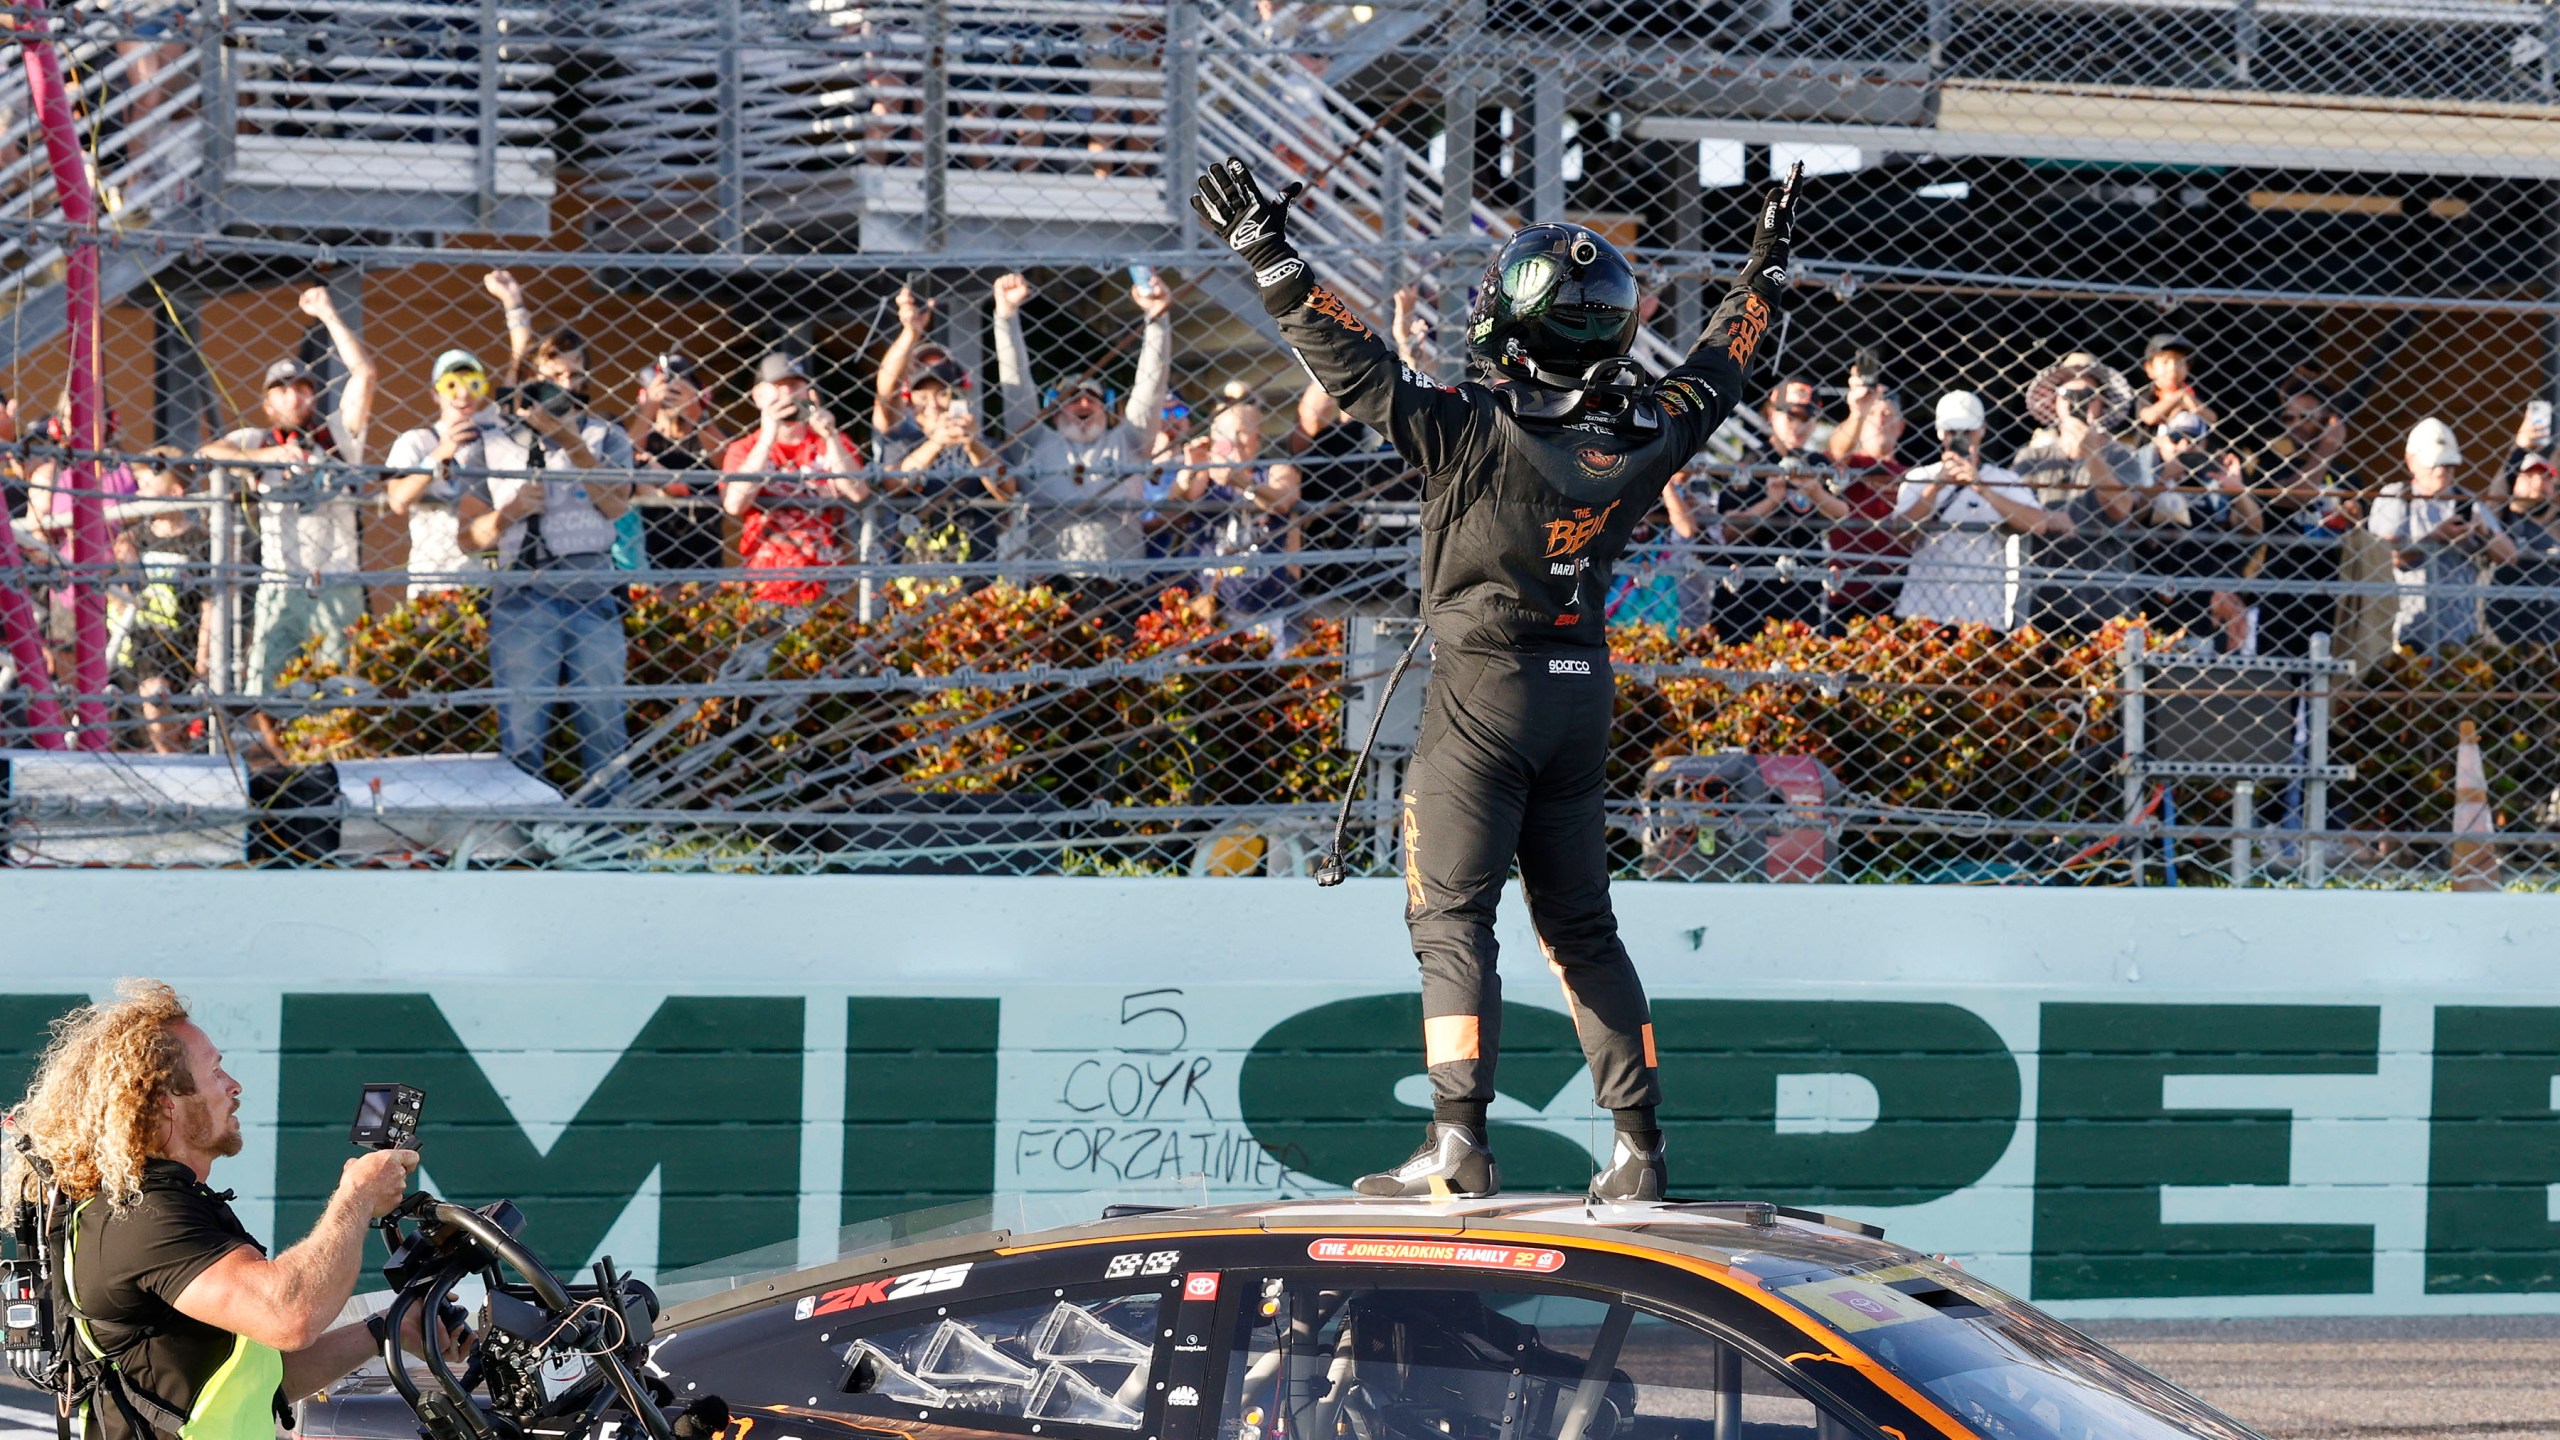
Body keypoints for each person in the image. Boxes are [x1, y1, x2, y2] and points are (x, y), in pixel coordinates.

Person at [1190, 153, 1802, 1202]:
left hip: (1479, 696)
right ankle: (1638, 1151)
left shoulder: (1467, 426)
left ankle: (1457, 1141)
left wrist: (1267, 253)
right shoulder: (1651, 427)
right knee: (1581, 928)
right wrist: (1765, 270)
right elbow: (1725, 360)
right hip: (1580, 693)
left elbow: (1349, 364)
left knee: (1451, 922)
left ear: (1517, 327)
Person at [3, 980, 463, 1440]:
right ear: (167, 1103)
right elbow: (289, 1315)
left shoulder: (157, 1205)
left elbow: (261, 1379)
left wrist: (387, 1329)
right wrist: (357, 1196)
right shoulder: (141, 1218)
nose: (234, 1086)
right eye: (216, 1072)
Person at [454, 379, 632, 794]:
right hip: (522, 598)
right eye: (537, 404)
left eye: (562, 404)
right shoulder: (490, 446)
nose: (549, 412)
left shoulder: (604, 436)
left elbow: (616, 506)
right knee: (523, 730)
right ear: (517, 405)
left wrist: (574, 446)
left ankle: (608, 837)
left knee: (604, 723)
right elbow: (467, 538)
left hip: (593, 593)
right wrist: (509, 512)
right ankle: (524, 831)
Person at [194, 288, 374, 695]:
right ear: (267, 402)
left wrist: (328, 313)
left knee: (341, 688)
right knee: (264, 687)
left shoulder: (335, 436)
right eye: (282, 389)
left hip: (337, 577)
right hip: (280, 579)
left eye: (303, 387)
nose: (294, 395)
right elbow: (204, 454)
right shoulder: (257, 439)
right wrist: (272, 454)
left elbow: (364, 375)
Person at [992, 270, 1173, 619]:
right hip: (1052, 584)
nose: (1083, 406)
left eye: (1092, 399)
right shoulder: (1033, 441)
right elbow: (1015, 385)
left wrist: (1158, 319)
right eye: (1072, 399)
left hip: (1121, 587)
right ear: (1055, 409)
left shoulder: (1129, 441)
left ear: (1106, 408)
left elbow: (1151, 386)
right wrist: (1006, 317)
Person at [1891, 391, 2067, 630]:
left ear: (1982, 430)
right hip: (1923, 612)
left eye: (1968, 432)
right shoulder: (1920, 478)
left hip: (1982, 616)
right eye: (1953, 432)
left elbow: (2037, 524)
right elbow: (1901, 532)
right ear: (1941, 432)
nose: (1961, 439)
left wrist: (1981, 487)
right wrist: (1937, 486)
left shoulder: (2004, 480)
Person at [719, 353, 868, 605]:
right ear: (758, 396)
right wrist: (768, 435)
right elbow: (734, 504)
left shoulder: (830, 441)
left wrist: (830, 436)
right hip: (767, 579)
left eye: (796, 385)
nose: (788, 393)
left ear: (809, 392)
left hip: (828, 580)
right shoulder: (745, 448)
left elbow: (857, 492)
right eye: (777, 387)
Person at [2013, 356, 2145, 637]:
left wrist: (2091, 453)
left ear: (2102, 403)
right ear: (2055, 402)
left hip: (2105, 600)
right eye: (2068, 394)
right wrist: (2046, 518)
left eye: (2087, 395)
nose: (2077, 402)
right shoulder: (2031, 459)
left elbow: (2121, 509)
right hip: (2040, 598)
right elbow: (2011, 514)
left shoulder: (2122, 457)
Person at [2369, 418, 2514, 653]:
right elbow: (2380, 558)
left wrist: (2484, 534)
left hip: (2461, 632)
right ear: (2411, 461)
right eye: (2433, 464)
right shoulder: (2397, 497)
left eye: (2447, 464)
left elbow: (2510, 556)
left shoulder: (2466, 501)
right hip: (2405, 628)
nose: (2441, 471)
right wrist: (2434, 538)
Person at [1281, 376, 1416, 610]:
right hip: (1323, 583)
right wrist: (1338, 370)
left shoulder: (1405, 441)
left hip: (1389, 585)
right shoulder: (1328, 441)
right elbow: (1310, 418)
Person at [1716, 378, 1835, 638]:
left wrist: (1817, 493)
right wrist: (1771, 502)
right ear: (1771, 414)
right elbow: (1728, 531)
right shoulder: (1751, 462)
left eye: (1806, 418)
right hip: (1751, 589)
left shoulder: (1817, 463)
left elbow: (1843, 515)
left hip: (1803, 586)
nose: (1798, 426)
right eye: (1790, 416)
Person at [1181, 400, 1303, 646]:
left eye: (1241, 433)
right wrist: (1192, 469)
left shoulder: (1273, 470)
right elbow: (1182, 496)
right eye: (1226, 434)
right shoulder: (1204, 474)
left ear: (1256, 439)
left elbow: (1284, 498)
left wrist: (1242, 481)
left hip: (1267, 608)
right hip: (1211, 608)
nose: (1234, 442)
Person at [874, 350, 1011, 568]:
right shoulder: (902, 443)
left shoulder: (987, 445)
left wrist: (973, 444)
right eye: (922, 397)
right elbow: (893, 484)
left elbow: (1006, 490)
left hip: (977, 564)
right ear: (910, 403)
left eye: (942, 393)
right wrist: (936, 442)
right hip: (914, 565)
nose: (933, 405)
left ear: (961, 397)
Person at [384, 350, 503, 600]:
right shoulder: (416, 441)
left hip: (487, 578)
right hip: (432, 578)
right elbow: (397, 500)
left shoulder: (498, 440)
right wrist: (441, 453)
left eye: (473, 384)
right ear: (435, 394)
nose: (463, 394)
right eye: (451, 385)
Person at [625, 354, 729, 574]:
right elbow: (624, 457)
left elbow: (729, 463)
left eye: (680, 389)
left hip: (705, 557)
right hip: (649, 557)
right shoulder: (644, 437)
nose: (672, 395)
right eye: (667, 388)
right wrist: (650, 408)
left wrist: (697, 415)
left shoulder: (709, 434)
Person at [2488, 452, 2560, 645]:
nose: (2538, 483)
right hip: (2509, 636)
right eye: (2529, 475)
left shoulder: (2552, 528)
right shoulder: (2502, 521)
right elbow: (2497, 492)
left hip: (2551, 637)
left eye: (2545, 478)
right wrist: (2521, 446)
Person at [2133, 333, 2216, 431]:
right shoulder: (2150, 394)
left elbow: (2212, 418)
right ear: (2150, 368)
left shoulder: (2192, 392)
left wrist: (2190, 402)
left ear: (2187, 367)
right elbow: (2149, 417)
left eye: (2179, 362)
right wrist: (2179, 396)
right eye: (2165, 362)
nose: (2173, 368)